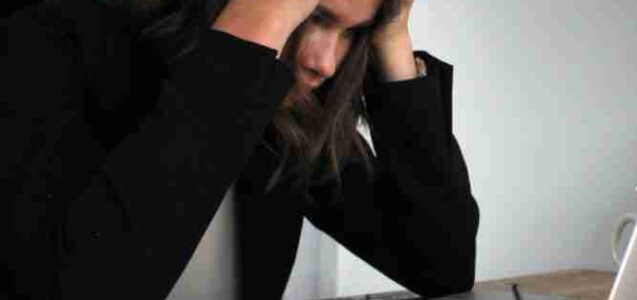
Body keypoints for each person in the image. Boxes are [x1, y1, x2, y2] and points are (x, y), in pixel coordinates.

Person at [0, 0, 479, 298]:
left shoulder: (283, 113)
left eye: (354, 32)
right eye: (311, 15)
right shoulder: (53, 46)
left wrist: (393, 35)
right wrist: (256, 29)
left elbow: (440, 263)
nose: (325, 63)